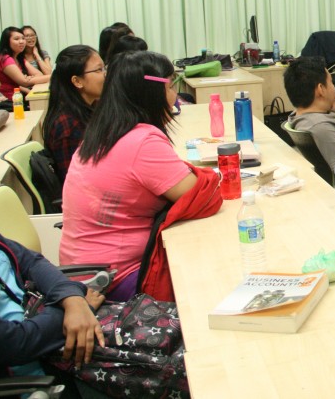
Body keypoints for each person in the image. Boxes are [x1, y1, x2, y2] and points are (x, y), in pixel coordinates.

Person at [60, 50, 221, 301]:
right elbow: (201, 196)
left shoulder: (104, 131)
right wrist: (206, 175)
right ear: (152, 92)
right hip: (116, 279)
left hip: (84, 270)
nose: (175, 95)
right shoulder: (142, 141)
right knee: (213, 275)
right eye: (170, 85)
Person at [0, 215, 105, 385]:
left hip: (51, 326)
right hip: (34, 374)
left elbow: (30, 261)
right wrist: (80, 307)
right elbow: (15, 344)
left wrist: (72, 298)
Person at [42, 45, 106, 181]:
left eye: (104, 68)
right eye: (99, 69)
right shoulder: (69, 125)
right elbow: (75, 180)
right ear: (77, 81)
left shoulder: (90, 108)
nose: (106, 74)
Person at [0, 27, 50, 100]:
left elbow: (39, 74)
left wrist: (28, 78)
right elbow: (24, 82)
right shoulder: (5, 59)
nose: (22, 41)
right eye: (16, 39)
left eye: (23, 38)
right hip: (5, 101)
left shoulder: (18, 58)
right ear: (7, 42)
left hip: (17, 98)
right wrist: (54, 76)